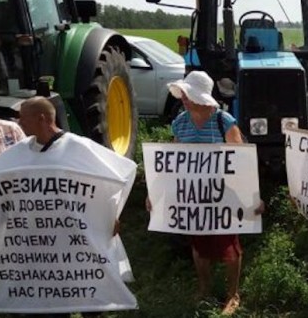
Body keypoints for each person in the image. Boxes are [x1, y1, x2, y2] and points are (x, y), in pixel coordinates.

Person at [146, 70, 263, 316]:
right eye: (183, 94)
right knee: (198, 245)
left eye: (188, 94)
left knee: (230, 248)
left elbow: (241, 162)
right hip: (193, 199)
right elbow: (172, 161)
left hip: (224, 198)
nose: (184, 98)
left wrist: (254, 197)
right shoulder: (180, 122)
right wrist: (154, 194)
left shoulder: (224, 122)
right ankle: (204, 286)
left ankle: (233, 294)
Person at [13, 96, 132, 317]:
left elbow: (112, 179)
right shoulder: (21, 152)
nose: (19, 124)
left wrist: (113, 214)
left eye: (23, 118)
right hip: (43, 240)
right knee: (51, 295)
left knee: (87, 291)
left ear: (41, 118)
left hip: (78, 236)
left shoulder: (79, 148)